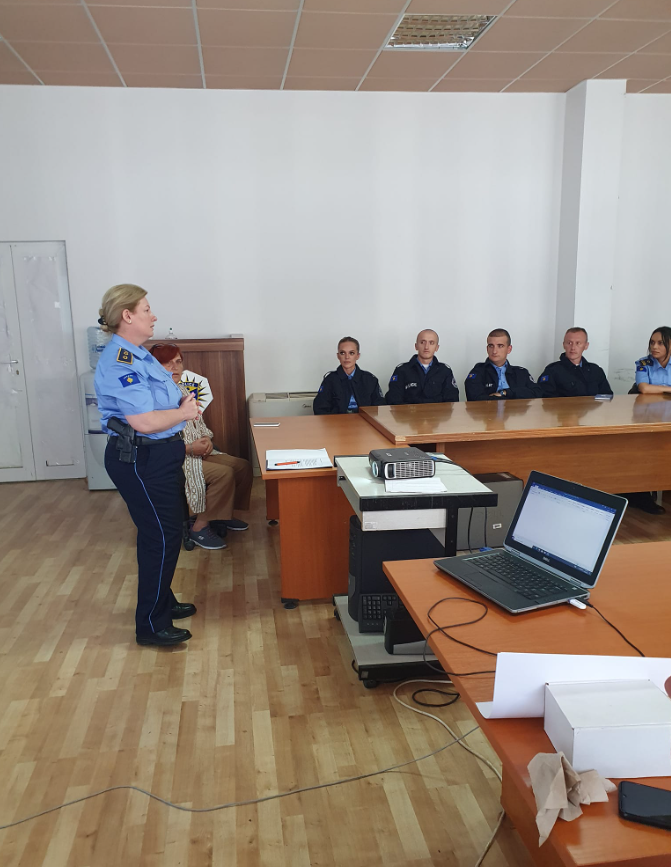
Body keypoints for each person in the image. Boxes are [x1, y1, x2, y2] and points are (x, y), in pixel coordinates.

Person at [94, 284, 199, 647]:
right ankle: (151, 625)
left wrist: (181, 405)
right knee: (162, 536)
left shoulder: (140, 354)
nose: (153, 316)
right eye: (146, 310)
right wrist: (183, 413)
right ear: (127, 315)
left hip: (160, 455)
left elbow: (162, 401)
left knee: (163, 532)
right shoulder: (119, 361)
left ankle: (162, 601)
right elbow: (144, 422)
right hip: (141, 459)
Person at [150, 344, 253, 549]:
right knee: (223, 474)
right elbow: (156, 443)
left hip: (198, 449)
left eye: (178, 362)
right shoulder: (153, 397)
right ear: (154, 366)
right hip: (177, 457)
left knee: (242, 466)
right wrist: (189, 448)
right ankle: (199, 527)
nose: (175, 367)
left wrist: (206, 439)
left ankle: (222, 514)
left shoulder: (183, 389)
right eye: (167, 363)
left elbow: (199, 422)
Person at [626, 326, 671, 515]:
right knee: (645, 453)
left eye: (660, 343)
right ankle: (641, 495)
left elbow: (652, 389)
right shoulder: (644, 363)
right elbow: (644, 388)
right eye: (652, 342)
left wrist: (658, 389)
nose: (655, 347)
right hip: (648, 418)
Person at [313, 336, 385, 415]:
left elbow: (380, 407)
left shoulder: (370, 380)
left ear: (357, 356)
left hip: (364, 421)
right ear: (338, 356)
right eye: (342, 353)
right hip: (336, 421)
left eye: (351, 353)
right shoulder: (330, 380)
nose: (347, 357)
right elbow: (320, 408)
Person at [465, 329, 542, 401]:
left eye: (500, 346)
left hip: (516, 411)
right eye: (491, 346)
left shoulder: (521, 373)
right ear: (487, 349)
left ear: (509, 349)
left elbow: (537, 393)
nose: (494, 351)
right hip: (489, 411)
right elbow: (474, 399)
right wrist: (515, 396)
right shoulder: (478, 372)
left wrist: (505, 393)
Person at [386, 329, 459, 404]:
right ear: (416, 346)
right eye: (422, 342)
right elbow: (394, 400)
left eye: (431, 343)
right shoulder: (402, 370)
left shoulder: (445, 371)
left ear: (437, 347)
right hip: (409, 411)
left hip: (437, 412)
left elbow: (452, 401)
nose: (426, 347)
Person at [538, 327, 613, 397]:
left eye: (578, 343)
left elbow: (607, 397)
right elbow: (545, 400)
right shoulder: (552, 371)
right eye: (569, 343)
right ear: (564, 345)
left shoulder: (595, 371)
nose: (573, 348)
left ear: (586, 346)